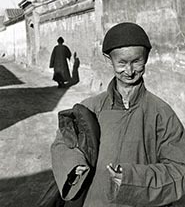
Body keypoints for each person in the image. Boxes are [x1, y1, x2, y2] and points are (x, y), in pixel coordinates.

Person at [51, 22, 185, 207]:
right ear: (109, 60)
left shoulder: (161, 114)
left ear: (146, 58)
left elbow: (179, 170)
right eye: (121, 63)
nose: (129, 71)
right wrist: (74, 163)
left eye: (137, 61)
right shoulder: (90, 108)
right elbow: (64, 143)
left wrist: (132, 179)